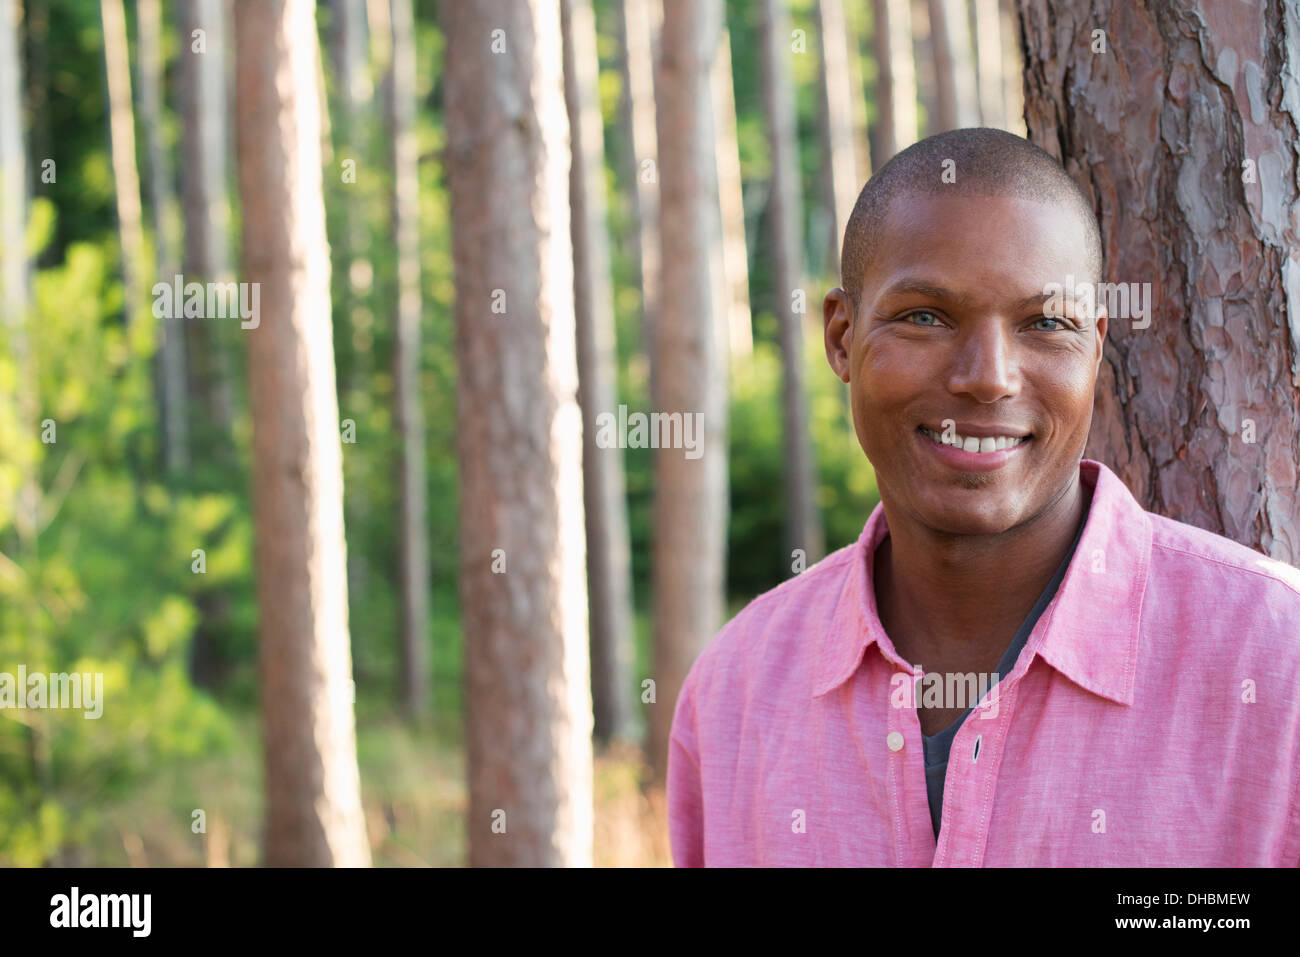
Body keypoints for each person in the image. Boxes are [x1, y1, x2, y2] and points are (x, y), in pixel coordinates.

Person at [666, 128, 1300, 866]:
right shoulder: (735, 692)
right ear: (841, 336)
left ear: (1095, 348)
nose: (988, 376)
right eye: (926, 316)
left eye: (1046, 323)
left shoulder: (1277, 663)